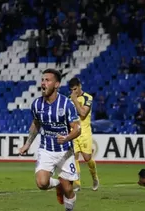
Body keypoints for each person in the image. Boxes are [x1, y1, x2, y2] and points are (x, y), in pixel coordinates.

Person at [19, 69, 81, 211]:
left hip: (65, 152)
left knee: (69, 191)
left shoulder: (66, 104)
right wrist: (27, 144)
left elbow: (77, 128)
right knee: (42, 183)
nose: (43, 83)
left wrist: (67, 138)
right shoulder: (36, 104)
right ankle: (58, 184)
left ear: (56, 84)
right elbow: (36, 123)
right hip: (46, 149)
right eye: (42, 80)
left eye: (47, 80)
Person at [68, 77, 99, 191]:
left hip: (85, 131)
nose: (74, 92)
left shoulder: (88, 97)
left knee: (87, 158)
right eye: (72, 90)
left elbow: (83, 113)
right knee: (74, 157)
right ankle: (77, 183)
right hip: (73, 131)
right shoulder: (69, 99)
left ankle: (94, 177)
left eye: (75, 89)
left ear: (80, 86)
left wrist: (75, 100)